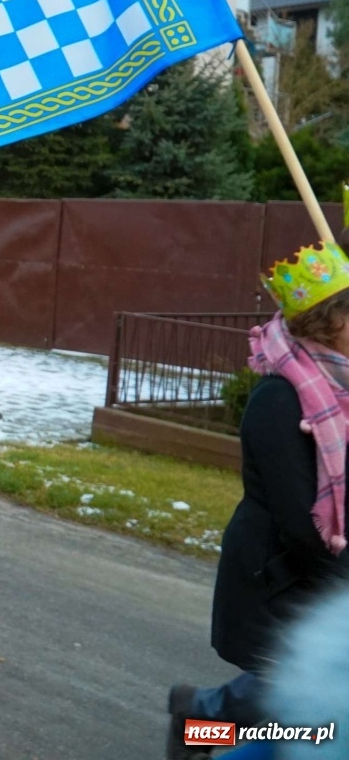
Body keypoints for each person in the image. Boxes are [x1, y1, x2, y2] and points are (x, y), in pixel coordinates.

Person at [168, 242, 349, 757]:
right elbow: (300, 521)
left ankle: (196, 722)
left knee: (309, 715)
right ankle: (199, 719)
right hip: (280, 575)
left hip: (325, 577)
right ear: (326, 321)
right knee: (301, 709)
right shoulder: (282, 397)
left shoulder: (343, 391)